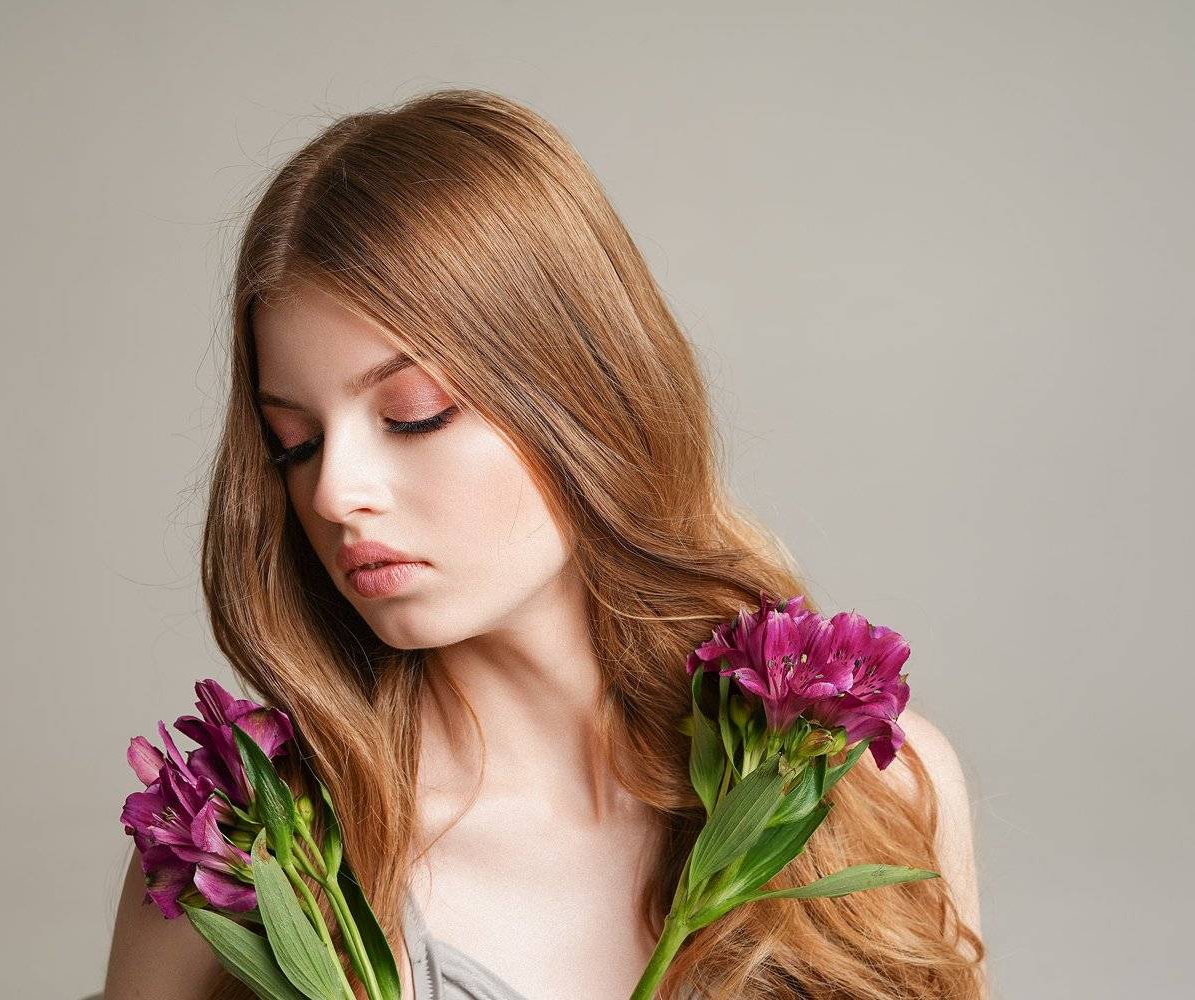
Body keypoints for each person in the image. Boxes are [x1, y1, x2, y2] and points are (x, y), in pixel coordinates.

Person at [104, 87, 986, 1000]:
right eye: (295, 441)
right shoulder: (240, 854)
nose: (333, 492)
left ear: (584, 393)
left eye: (414, 414)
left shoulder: (875, 789)